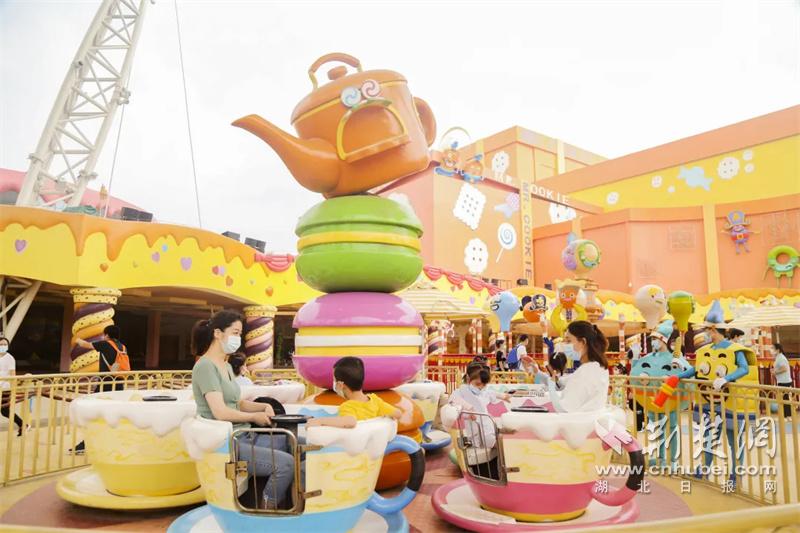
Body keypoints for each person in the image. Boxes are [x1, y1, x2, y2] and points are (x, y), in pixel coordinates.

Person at [192, 310, 294, 510]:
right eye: (235, 333)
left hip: (244, 434)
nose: (238, 339)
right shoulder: (205, 367)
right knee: (286, 463)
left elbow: (236, 403)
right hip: (228, 442)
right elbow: (220, 412)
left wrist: (264, 406)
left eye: (240, 334)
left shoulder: (226, 366)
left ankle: (290, 503)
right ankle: (267, 509)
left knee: (292, 442)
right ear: (218, 333)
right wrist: (254, 417)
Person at [448, 362, 512, 479]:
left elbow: (492, 393)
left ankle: (501, 471)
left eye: (484, 384)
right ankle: (499, 473)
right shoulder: (461, 392)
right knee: (498, 444)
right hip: (476, 430)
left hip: (487, 426)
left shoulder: (484, 391)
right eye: (477, 384)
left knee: (503, 440)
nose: (481, 387)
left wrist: (504, 396)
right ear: (468, 378)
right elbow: (453, 399)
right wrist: (469, 408)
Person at [69, 325, 127, 454]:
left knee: (94, 413)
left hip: (105, 385)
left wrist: (77, 339)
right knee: (112, 414)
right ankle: (112, 442)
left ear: (107, 335)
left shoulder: (105, 344)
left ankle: (87, 443)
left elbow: (85, 345)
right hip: (119, 385)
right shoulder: (122, 347)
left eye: (104, 334)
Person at [307, 357, 401, 428]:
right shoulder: (375, 401)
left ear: (340, 385)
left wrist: (320, 421)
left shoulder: (348, 407)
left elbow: (350, 422)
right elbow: (398, 413)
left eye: (334, 380)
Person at [538, 321, 609, 412]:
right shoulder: (598, 367)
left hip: (578, 420)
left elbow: (564, 408)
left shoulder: (585, 372)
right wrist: (537, 372)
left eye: (569, 341)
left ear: (583, 342)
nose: (565, 345)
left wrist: (551, 388)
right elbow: (562, 382)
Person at [0, 337, 27, 436]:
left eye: (5, 344)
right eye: (1, 344)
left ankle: (23, 424)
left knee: (5, 411)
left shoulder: (10, 358)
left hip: (6, 388)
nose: (3, 346)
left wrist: (13, 389)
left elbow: (13, 375)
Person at [773, 343, 794, 417]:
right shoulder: (778, 357)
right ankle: (786, 415)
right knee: (784, 399)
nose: (772, 350)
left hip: (784, 381)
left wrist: (775, 372)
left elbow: (784, 368)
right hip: (782, 381)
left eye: (773, 348)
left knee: (785, 399)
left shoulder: (781, 358)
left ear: (778, 350)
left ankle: (787, 416)